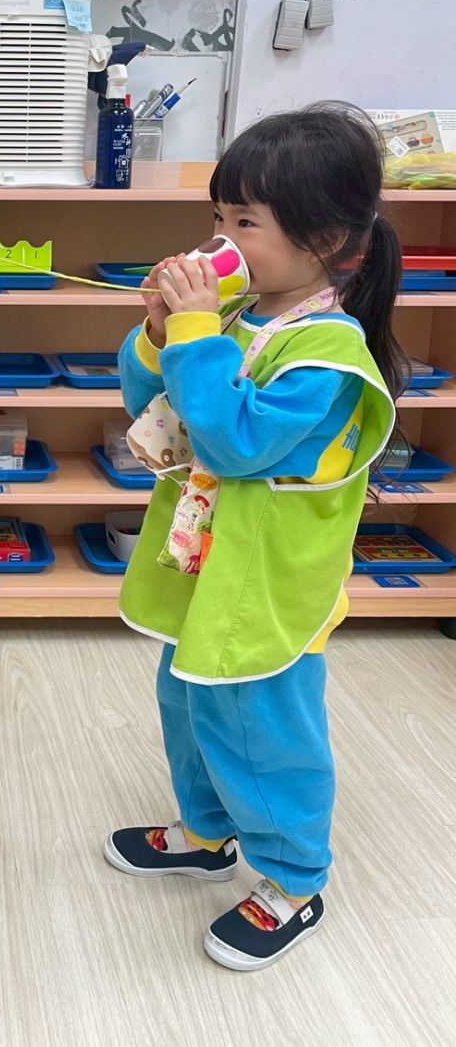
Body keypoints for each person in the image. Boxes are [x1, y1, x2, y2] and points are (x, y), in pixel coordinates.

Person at [105, 105, 403, 972]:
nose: (220, 241)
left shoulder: (329, 353)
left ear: (327, 240)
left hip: (268, 583)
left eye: (245, 223)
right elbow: (159, 410)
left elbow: (236, 440)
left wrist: (197, 333)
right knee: (188, 698)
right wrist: (161, 332)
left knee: (265, 726)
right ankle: (207, 832)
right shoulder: (240, 315)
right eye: (218, 217)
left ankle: (293, 876)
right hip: (208, 564)